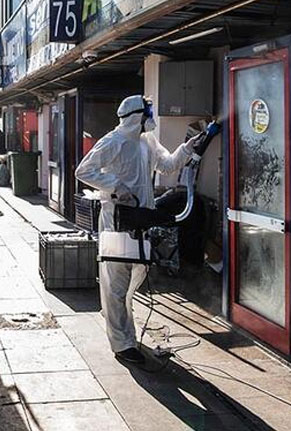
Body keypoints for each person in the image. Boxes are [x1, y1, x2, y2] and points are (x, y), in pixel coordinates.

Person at [74, 95, 200, 364]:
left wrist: (187, 148)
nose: (151, 116)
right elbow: (83, 170)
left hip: (142, 220)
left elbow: (166, 165)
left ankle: (120, 325)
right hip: (117, 221)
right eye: (148, 112)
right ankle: (122, 344)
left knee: (136, 276)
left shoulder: (147, 141)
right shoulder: (113, 141)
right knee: (116, 283)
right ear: (136, 117)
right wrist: (116, 187)